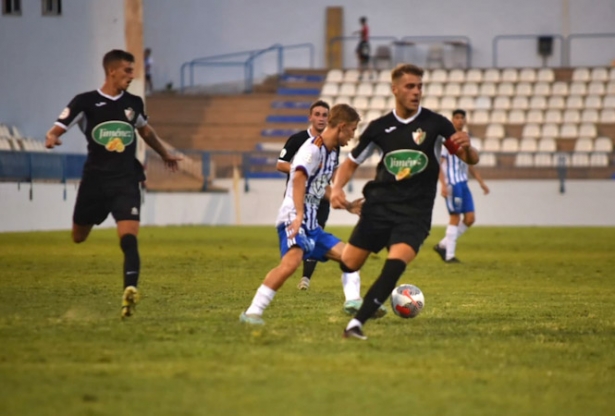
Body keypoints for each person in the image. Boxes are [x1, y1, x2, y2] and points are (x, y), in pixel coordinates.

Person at [330, 63, 479, 340]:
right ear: (395, 89)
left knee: (395, 265)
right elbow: (351, 162)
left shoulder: (436, 125)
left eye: (420, 86)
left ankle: (356, 324)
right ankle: (319, 246)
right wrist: (337, 187)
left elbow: (468, 158)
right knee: (349, 263)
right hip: (379, 208)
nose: (416, 91)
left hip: (415, 213)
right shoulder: (379, 128)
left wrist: (469, 148)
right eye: (410, 86)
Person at [45, 49, 181, 319]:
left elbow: (145, 130)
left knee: (129, 238)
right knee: (78, 237)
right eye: (128, 71)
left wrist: (165, 153)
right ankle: (96, 219)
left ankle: (130, 290)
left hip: (125, 180)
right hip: (95, 182)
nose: (132, 76)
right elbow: (59, 126)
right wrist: (51, 137)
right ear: (112, 71)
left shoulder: (133, 103)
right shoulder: (85, 102)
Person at [240, 104, 386, 325]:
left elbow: (319, 185)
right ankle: (252, 312)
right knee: (291, 264)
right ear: (342, 127)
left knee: (350, 257)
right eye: (353, 130)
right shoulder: (313, 149)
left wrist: (346, 204)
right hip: (293, 217)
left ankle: (354, 301)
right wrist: (298, 215)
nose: (353, 136)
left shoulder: (331, 151)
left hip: (311, 223)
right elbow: (299, 177)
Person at [276, 100, 331, 291]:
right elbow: (280, 163)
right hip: (297, 198)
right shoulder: (298, 139)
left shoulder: (332, 144)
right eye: (317, 114)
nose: (321, 118)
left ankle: (306, 278)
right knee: (298, 238)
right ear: (310, 117)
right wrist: (302, 170)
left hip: (319, 199)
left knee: (316, 236)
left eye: (325, 115)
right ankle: (287, 267)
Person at [434, 109, 490, 263]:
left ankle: (443, 245)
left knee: (470, 218)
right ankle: (450, 256)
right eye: (456, 118)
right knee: (455, 217)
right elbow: (440, 163)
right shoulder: (447, 140)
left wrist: (481, 182)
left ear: (465, 120)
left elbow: (470, 162)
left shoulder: (465, 140)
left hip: (463, 183)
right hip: (452, 183)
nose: (459, 120)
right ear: (452, 120)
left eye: (462, 118)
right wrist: (443, 185)